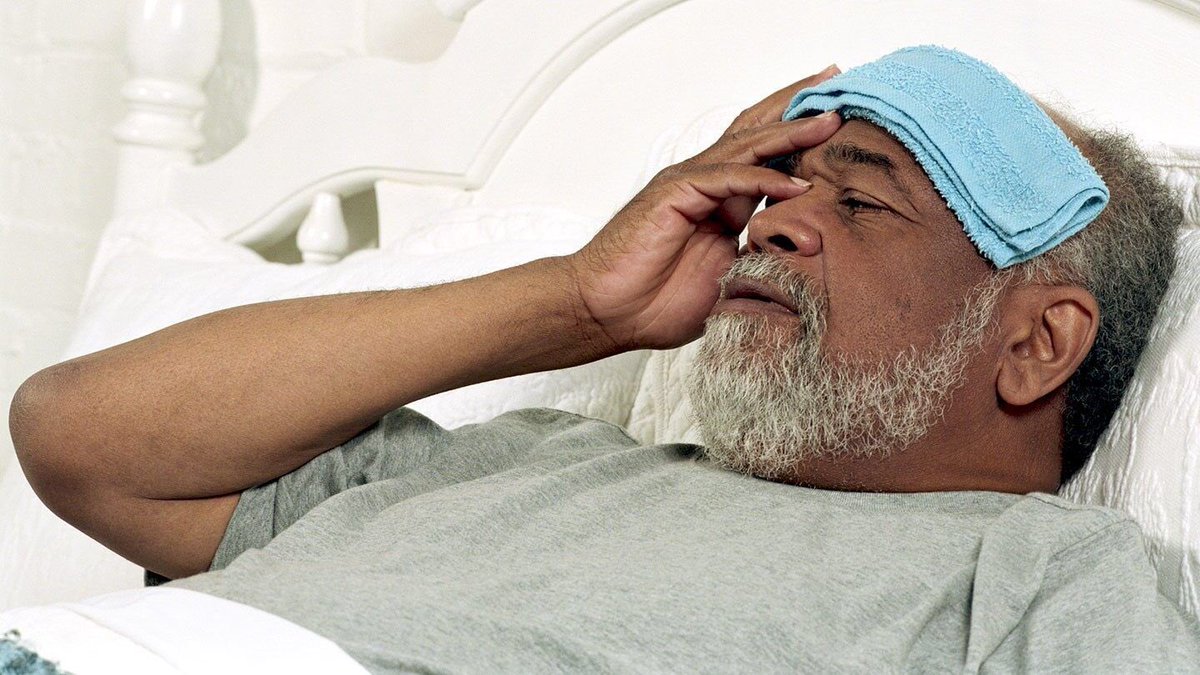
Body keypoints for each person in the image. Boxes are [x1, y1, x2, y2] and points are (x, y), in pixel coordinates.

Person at [8, 48, 1200, 672]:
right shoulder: (537, 462)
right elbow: (78, 434)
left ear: (1036, 343)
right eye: (779, 190)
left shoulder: (1049, 580)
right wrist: (577, 301)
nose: (775, 224)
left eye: (862, 203)